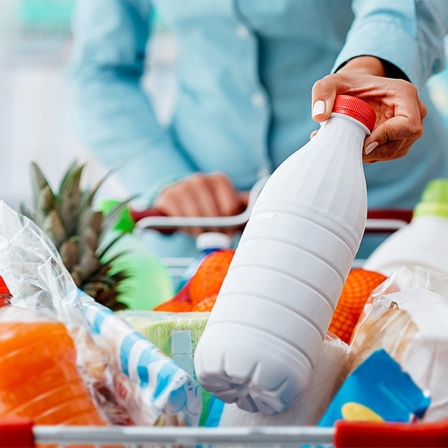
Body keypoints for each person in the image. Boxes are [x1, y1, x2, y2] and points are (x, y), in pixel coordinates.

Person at [68, 0, 448, 260]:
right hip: (209, 230)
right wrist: (164, 178)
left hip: (384, 211)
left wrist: (367, 70)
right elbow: (100, 72)